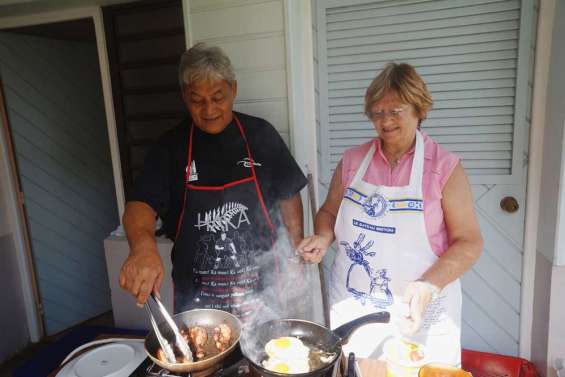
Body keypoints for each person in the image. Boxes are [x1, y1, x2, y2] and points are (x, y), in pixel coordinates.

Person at [298, 63, 483, 365]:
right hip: (356, 308)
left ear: (418, 109)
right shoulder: (352, 161)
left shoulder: (444, 168)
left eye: (395, 110)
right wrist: (322, 236)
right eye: (377, 112)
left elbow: (469, 241)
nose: (385, 121)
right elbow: (330, 211)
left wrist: (427, 285)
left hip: (421, 313)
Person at [119, 43, 307, 320]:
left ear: (233, 89)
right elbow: (139, 205)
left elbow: (288, 193)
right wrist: (142, 248)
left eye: (218, 97)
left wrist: (295, 250)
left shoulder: (260, 134)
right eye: (197, 100)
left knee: (269, 357)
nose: (209, 109)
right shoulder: (171, 146)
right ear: (185, 97)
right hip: (198, 296)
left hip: (263, 289)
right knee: (203, 359)